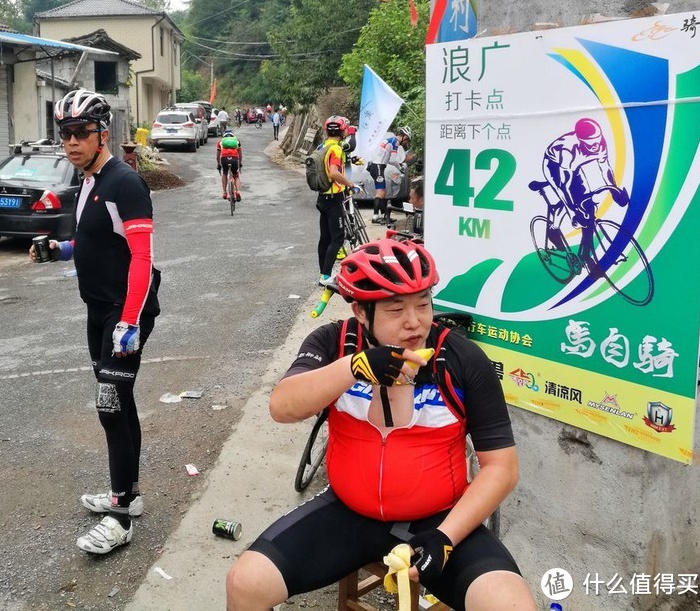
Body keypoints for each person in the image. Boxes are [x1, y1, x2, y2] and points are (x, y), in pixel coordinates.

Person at [225, 239, 535, 611]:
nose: (415, 322)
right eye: (394, 309)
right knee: (245, 584)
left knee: (510, 605)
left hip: (440, 519)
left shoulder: (460, 358)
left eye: (423, 304)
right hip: (347, 512)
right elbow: (282, 406)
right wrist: (352, 368)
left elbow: (502, 467)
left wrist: (446, 536)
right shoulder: (334, 342)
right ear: (360, 310)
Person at [28, 88, 161, 555]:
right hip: (98, 309)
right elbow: (98, 243)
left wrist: (129, 321)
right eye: (65, 134)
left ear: (103, 133)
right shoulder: (89, 180)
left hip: (124, 312)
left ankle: (120, 515)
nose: (71, 142)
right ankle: (129, 492)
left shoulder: (124, 182)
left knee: (109, 403)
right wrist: (59, 249)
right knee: (119, 403)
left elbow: (142, 256)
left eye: (81, 133)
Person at [539, 117, 629, 278]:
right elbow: (563, 186)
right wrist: (572, 212)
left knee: (587, 210)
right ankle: (553, 229)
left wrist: (614, 190)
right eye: (590, 143)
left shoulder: (600, 143)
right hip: (555, 166)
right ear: (581, 141)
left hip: (575, 168)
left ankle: (585, 256)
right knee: (572, 203)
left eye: (597, 141)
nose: (595, 146)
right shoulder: (567, 150)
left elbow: (605, 168)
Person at [316, 116, 354, 285]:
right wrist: (350, 183)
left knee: (324, 237)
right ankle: (326, 276)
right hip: (333, 198)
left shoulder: (322, 146)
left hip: (322, 196)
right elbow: (333, 172)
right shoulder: (337, 149)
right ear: (341, 131)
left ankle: (322, 275)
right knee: (337, 238)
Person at [217, 129, 243, 201]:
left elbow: (217, 156)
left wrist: (218, 164)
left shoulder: (220, 142)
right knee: (236, 175)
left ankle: (225, 192)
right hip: (234, 159)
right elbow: (240, 154)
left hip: (224, 159)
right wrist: (240, 163)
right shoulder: (237, 141)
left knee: (225, 174)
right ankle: (237, 191)